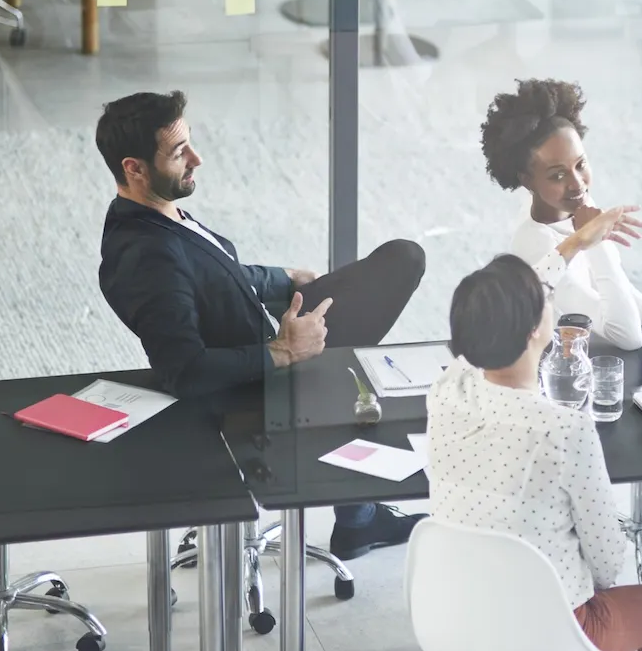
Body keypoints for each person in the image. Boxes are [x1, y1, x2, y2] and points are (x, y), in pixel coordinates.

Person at [94, 89, 428, 561]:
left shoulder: (156, 211)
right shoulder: (148, 257)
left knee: (399, 260)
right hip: (254, 389)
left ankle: (358, 517)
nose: (197, 159)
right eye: (178, 153)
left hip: (261, 332)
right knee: (361, 363)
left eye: (190, 143)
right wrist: (285, 351)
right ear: (134, 168)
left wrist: (286, 278)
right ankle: (358, 520)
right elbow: (182, 370)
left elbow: (216, 271)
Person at [428, 255, 642, 651]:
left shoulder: (446, 390)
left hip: (456, 618)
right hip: (548, 633)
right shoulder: (563, 428)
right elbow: (607, 562)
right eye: (546, 303)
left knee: (539, 573)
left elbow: (498, 314)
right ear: (536, 332)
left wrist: (573, 245)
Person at [481, 78, 642, 350]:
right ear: (528, 181)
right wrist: (596, 242)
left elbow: (618, 288)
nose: (577, 183)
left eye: (580, 164)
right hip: (567, 373)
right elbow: (626, 337)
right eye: (558, 174)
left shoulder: (573, 202)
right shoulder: (536, 244)